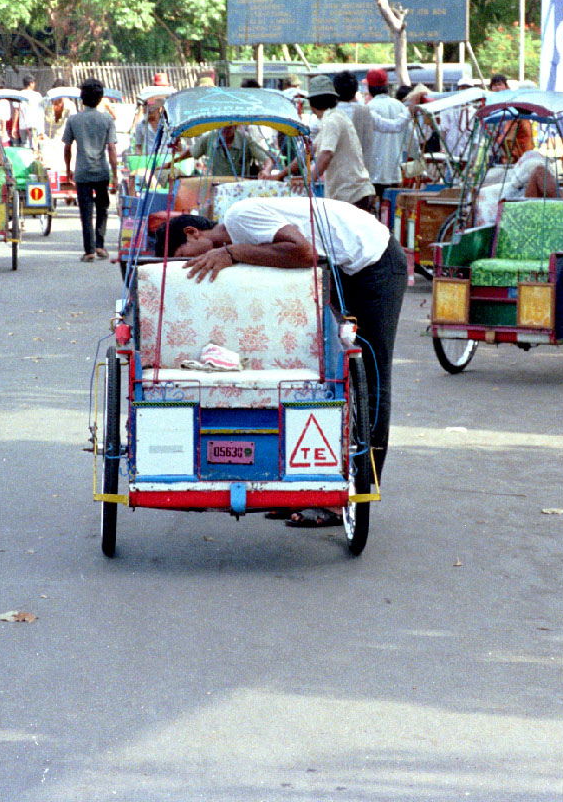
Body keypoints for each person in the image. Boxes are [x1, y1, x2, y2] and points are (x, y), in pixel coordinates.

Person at [153, 195, 407, 520]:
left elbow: (303, 252)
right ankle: (314, 486)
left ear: (192, 233)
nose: (189, 265)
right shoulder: (241, 236)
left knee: (370, 376)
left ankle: (359, 492)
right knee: (328, 373)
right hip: (342, 267)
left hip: (375, 260)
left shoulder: (239, 217)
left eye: (182, 257)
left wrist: (230, 253)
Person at [298, 75, 375, 212]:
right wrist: (282, 175)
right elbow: (309, 152)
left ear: (311, 105)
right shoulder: (332, 119)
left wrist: (307, 181)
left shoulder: (332, 121)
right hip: (353, 194)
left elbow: (326, 154)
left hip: (352, 195)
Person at [63, 78, 119, 261]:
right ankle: (100, 246)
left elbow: (67, 147)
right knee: (103, 208)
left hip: (82, 172)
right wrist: (115, 175)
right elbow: (111, 148)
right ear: (100, 98)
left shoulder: (74, 120)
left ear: (82, 98)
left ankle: (89, 251)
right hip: (102, 171)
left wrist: (67, 168)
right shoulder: (107, 119)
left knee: (85, 211)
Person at [363, 67, 412, 201]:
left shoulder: (368, 108)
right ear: (386, 86)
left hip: (372, 173)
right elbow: (411, 138)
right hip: (396, 171)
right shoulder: (401, 107)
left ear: (370, 87)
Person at [172, 124, 271, 178]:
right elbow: (192, 152)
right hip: (216, 185)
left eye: (229, 127)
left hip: (239, 186)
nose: (225, 130)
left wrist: (266, 171)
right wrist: (172, 162)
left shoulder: (245, 140)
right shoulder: (210, 138)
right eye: (222, 127)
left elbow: (267, 160)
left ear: (235, 126)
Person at [489, 73, 534, 163]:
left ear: (506, 86)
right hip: (504, 155)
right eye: (494, 85)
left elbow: (506, 138)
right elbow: (505, 138)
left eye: (500, 84)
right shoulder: (489, 106)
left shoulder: (516, 113)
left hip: (520, 157)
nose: (497, 88)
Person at [16, 76, 43, 147]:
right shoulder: (37, 95)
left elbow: (16, 110)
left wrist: (14, 126)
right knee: (34, 145)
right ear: (30, 83)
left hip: (22, 125)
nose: (34, 85)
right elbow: (41, 112)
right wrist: (41, 128)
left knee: (24, 144)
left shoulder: (19, 94)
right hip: (34, 124)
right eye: (34, 83)